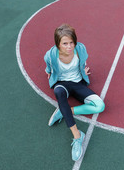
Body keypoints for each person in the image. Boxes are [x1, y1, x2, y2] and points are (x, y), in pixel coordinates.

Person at [44, 24, 105, 161]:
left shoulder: (80, 49)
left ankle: (65, 111)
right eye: (65, 43)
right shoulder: (51, 55)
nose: (69, 46)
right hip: (62, 84)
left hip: (77, 83)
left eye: (71, 42)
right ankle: (78, 136)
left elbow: (83, 62)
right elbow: (48, 65)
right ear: (58, 44)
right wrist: (48, 72)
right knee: (58, 92)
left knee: (100, 106)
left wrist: (84, 71)